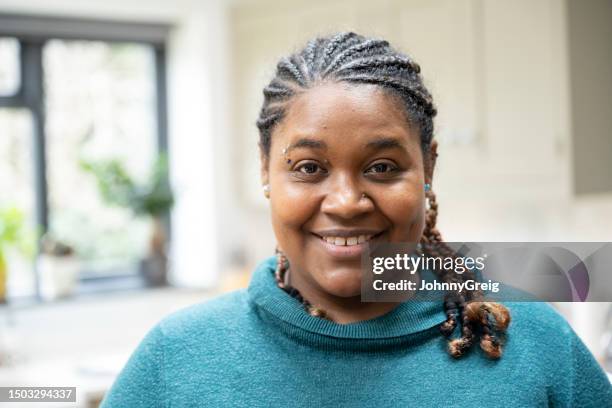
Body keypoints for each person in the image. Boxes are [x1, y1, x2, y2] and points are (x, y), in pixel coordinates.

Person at [100, 32, 612, 407]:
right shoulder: (178, 359)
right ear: (265, 169)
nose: (345, 201)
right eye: (308, 168)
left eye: (382, 167)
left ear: (429, 167)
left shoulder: (535, 344)